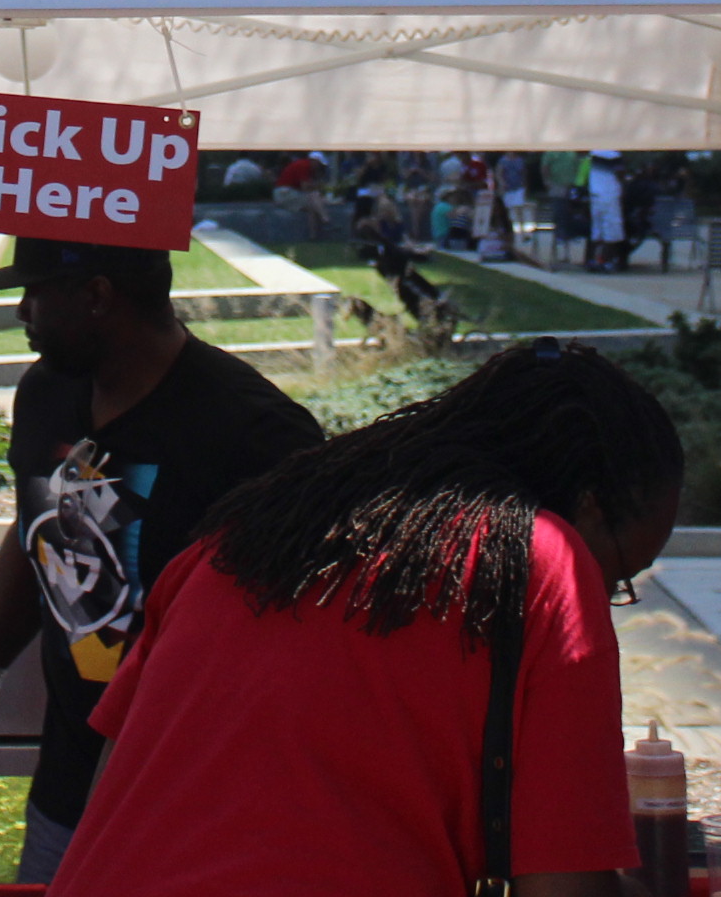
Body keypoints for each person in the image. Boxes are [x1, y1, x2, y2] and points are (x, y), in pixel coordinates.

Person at [52, 340, 685, 897]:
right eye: (618, 577)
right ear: (589, 508)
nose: (606, 596)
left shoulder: (234, 540)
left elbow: (112, 787)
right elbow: (562, 888)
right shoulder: (546, 564)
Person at [0, 239, 323, 884]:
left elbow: (302, 645)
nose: (22, 311)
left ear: (98, 296)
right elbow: (39, 530)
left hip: (204, 810)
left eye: (36, 292)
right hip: (69, 789)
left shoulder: (257, 437)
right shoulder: (47, 393)